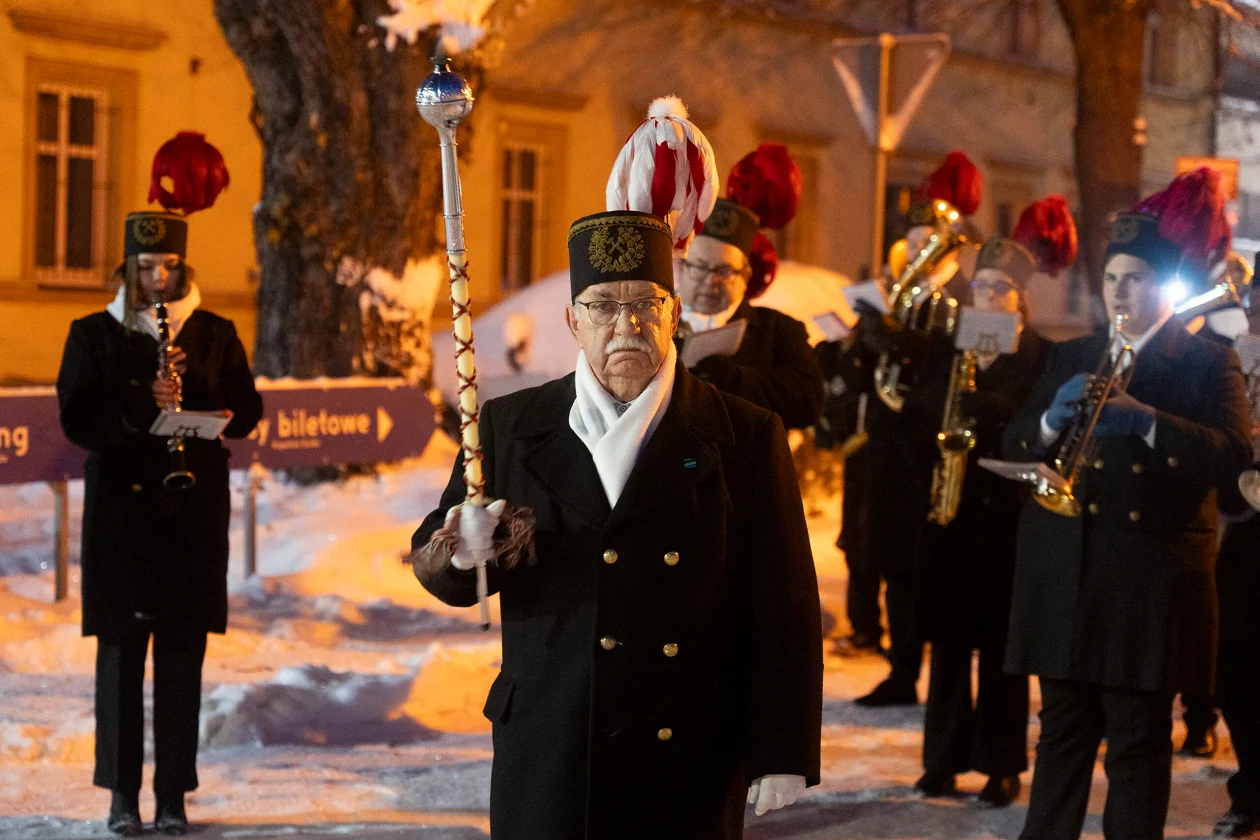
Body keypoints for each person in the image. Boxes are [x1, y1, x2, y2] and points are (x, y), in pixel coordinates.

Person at [410, 209, 823, 840]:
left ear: (673, 315)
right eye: (603, 306)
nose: (625, 324)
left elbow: (783, 606)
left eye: (644, 304)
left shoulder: (744, 434)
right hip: (551, 744)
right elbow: (436, 561)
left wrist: (782, 749)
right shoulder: (512, 427)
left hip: (685, 751)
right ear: (573, 321)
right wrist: (462, 552)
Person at [1002, 168, 1251, 840]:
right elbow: (1016, 437)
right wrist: (1049, 423)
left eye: (1134, 279)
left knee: (1137, 741)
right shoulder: (1073, 354)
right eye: (1112, 278)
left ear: (1161, 285)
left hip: (1147, 583)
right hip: (1068, 576)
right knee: (1061, 735)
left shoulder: (1206, 361)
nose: (1119, 291)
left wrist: (1146, 422)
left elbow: (1234, 455)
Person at [56, 132, 262, 837]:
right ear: (129, 268)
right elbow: (76, 417)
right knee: (119, 668)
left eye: (168, 267)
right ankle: (122, 797)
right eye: (146, 268)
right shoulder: (92, 334)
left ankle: (173, 796)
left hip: (189, 518)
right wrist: (140, 406)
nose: (158, 279)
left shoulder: (213, 331)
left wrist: (198, 396)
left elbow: (249, 410)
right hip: (122, 519)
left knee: (181, 664)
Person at [908, 196, 1076, 807]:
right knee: (949, 649)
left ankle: (1002, 763)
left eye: (1002, 288)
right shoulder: (949, 345)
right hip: (951, 519)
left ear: (1021, 298)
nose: (990, 296)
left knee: (1005, 654)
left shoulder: (1041, 355)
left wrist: (996, 409)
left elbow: (1047, 428)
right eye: (983, 286)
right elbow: (918, 410)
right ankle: (942, 759)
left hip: (1009, 524)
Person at [852, 150, 985, 706]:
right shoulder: (906, 291)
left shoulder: (962, 296)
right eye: (912, 240)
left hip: (926, 443)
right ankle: (900, 666)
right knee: (887, 555)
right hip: (889, 438)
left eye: (928, 240)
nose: (918, 249)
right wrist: (867, 339)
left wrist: (900, 341)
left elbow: (955, 363)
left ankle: (920, 669)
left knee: (917, 559)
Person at [675, 143, 825, 430]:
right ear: (683, 268)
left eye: (724, 270)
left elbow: (809, 402)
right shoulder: (656, 321)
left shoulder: (778, 331)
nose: (711, 280)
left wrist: (735, 379)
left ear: (745, 275)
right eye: (701, 267)